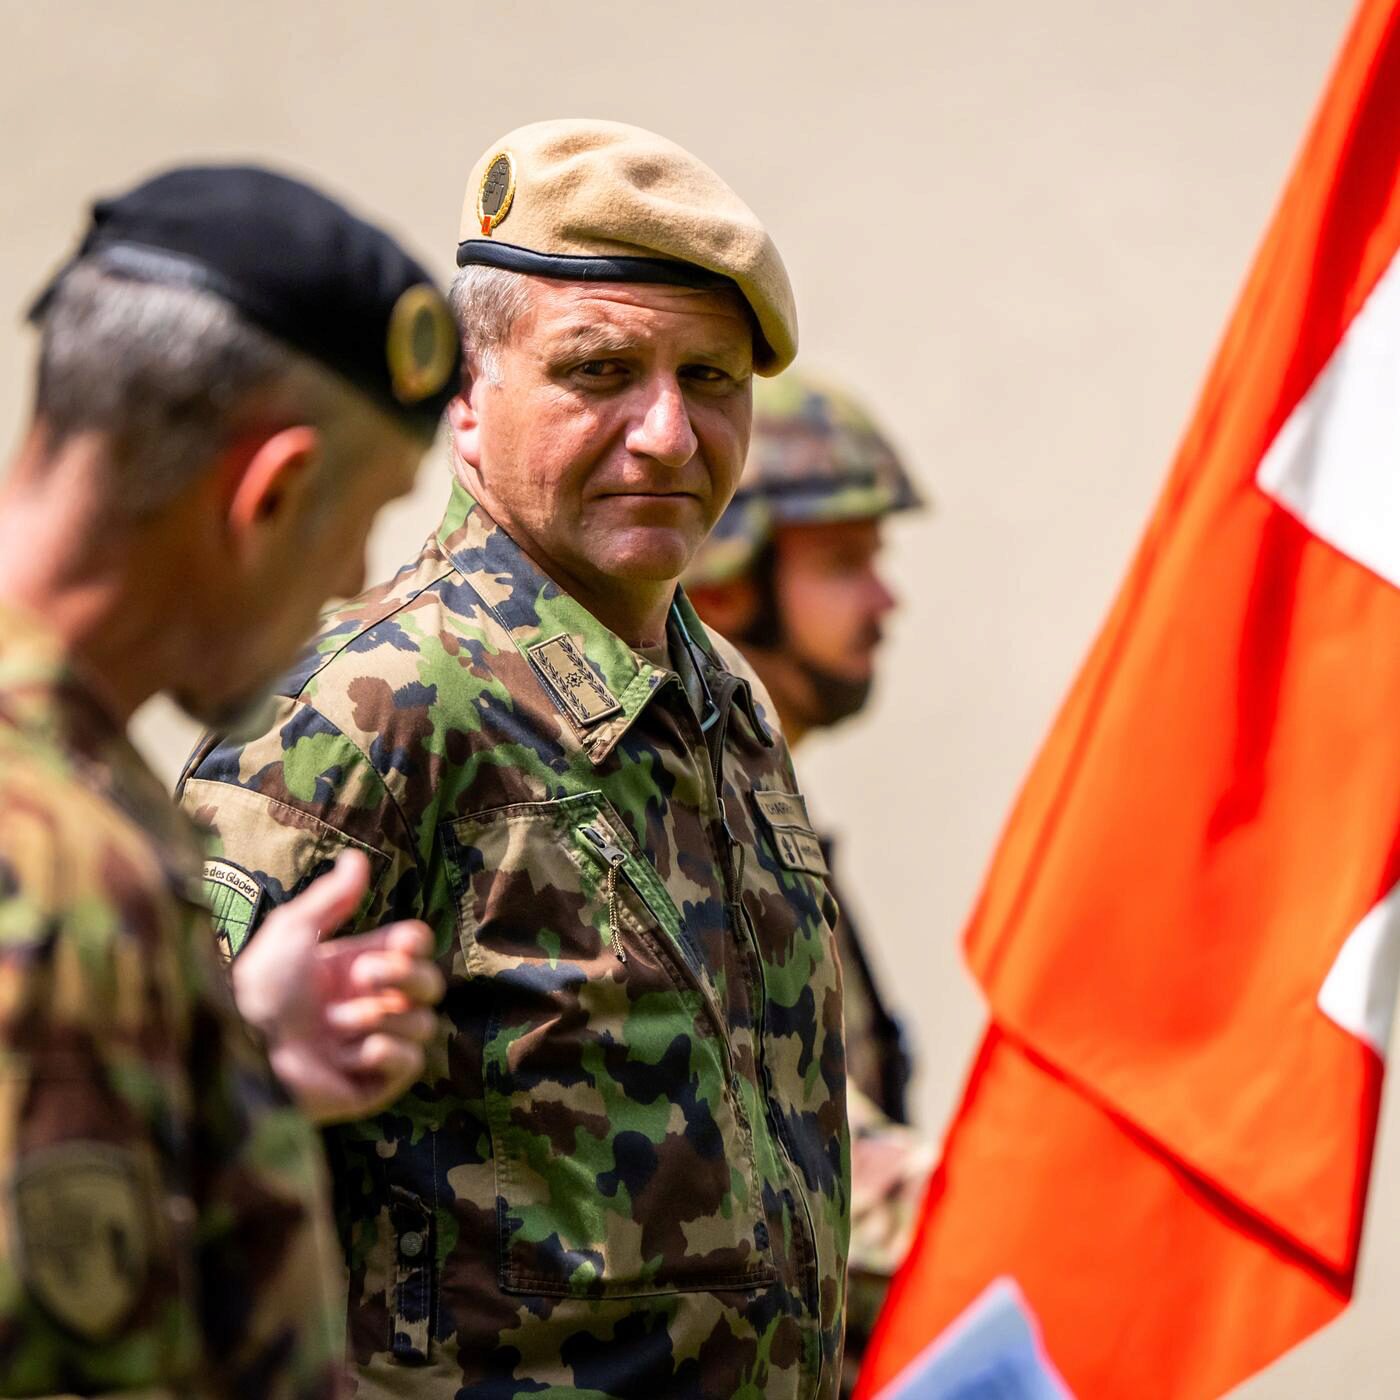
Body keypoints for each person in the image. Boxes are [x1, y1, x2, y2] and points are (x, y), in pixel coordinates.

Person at [178, 120, 850, 1399]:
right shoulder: (359, 715)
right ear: (468, 403)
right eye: (600, 372)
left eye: (710, 379)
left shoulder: (719, 700)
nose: (667, 434)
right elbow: (160, 1185)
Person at [0, 165, 457, 1396]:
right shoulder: (65, 870)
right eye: (366, 518)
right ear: (273, 492)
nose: (357, 579)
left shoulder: (78, 795)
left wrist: (222, 1051)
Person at [684, 370, 934, 1393]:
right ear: (727, 582)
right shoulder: (678, 837)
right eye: (841, 561)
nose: (884, 598)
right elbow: (799, 1165)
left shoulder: (766, 822)